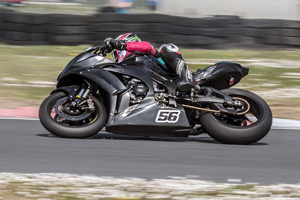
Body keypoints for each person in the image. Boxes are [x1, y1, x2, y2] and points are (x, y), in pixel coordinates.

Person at [103, 33, 195, 92]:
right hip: (161, 90)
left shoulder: (146, 54)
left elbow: (147, 46)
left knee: (166, 48)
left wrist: (121, 45)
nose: (116, 53)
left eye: (116, 50)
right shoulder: (125, 69)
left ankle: (188, 78)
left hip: (172, 76)